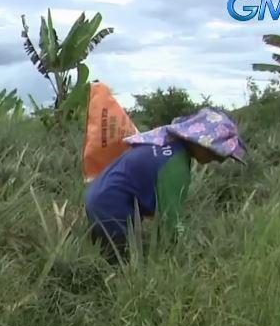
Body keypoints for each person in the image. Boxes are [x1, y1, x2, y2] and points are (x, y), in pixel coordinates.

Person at [84, 107, 247, 264]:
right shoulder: (175, 166)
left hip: (99, 197)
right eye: (218, 152)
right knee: (124, 265)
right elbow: (171, 220)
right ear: (201, 141)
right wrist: (187, 255)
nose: (219, 159)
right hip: (112, 207)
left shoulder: (165, 144)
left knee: (106, 258)